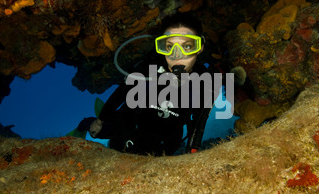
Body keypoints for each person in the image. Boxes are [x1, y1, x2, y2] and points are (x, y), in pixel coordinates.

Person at [77, 12, 218, 156]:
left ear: (200, 47)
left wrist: (192, 149)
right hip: (127, 129)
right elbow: (120, 93)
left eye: (187, 46)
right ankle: (84, 124)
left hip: (166, 142)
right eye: (169, 47)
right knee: (96, 132)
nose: (177, 55)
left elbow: (198, 122)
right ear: (162, 47)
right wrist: (100, 121)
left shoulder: (205, 83)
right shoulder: (148, 70)